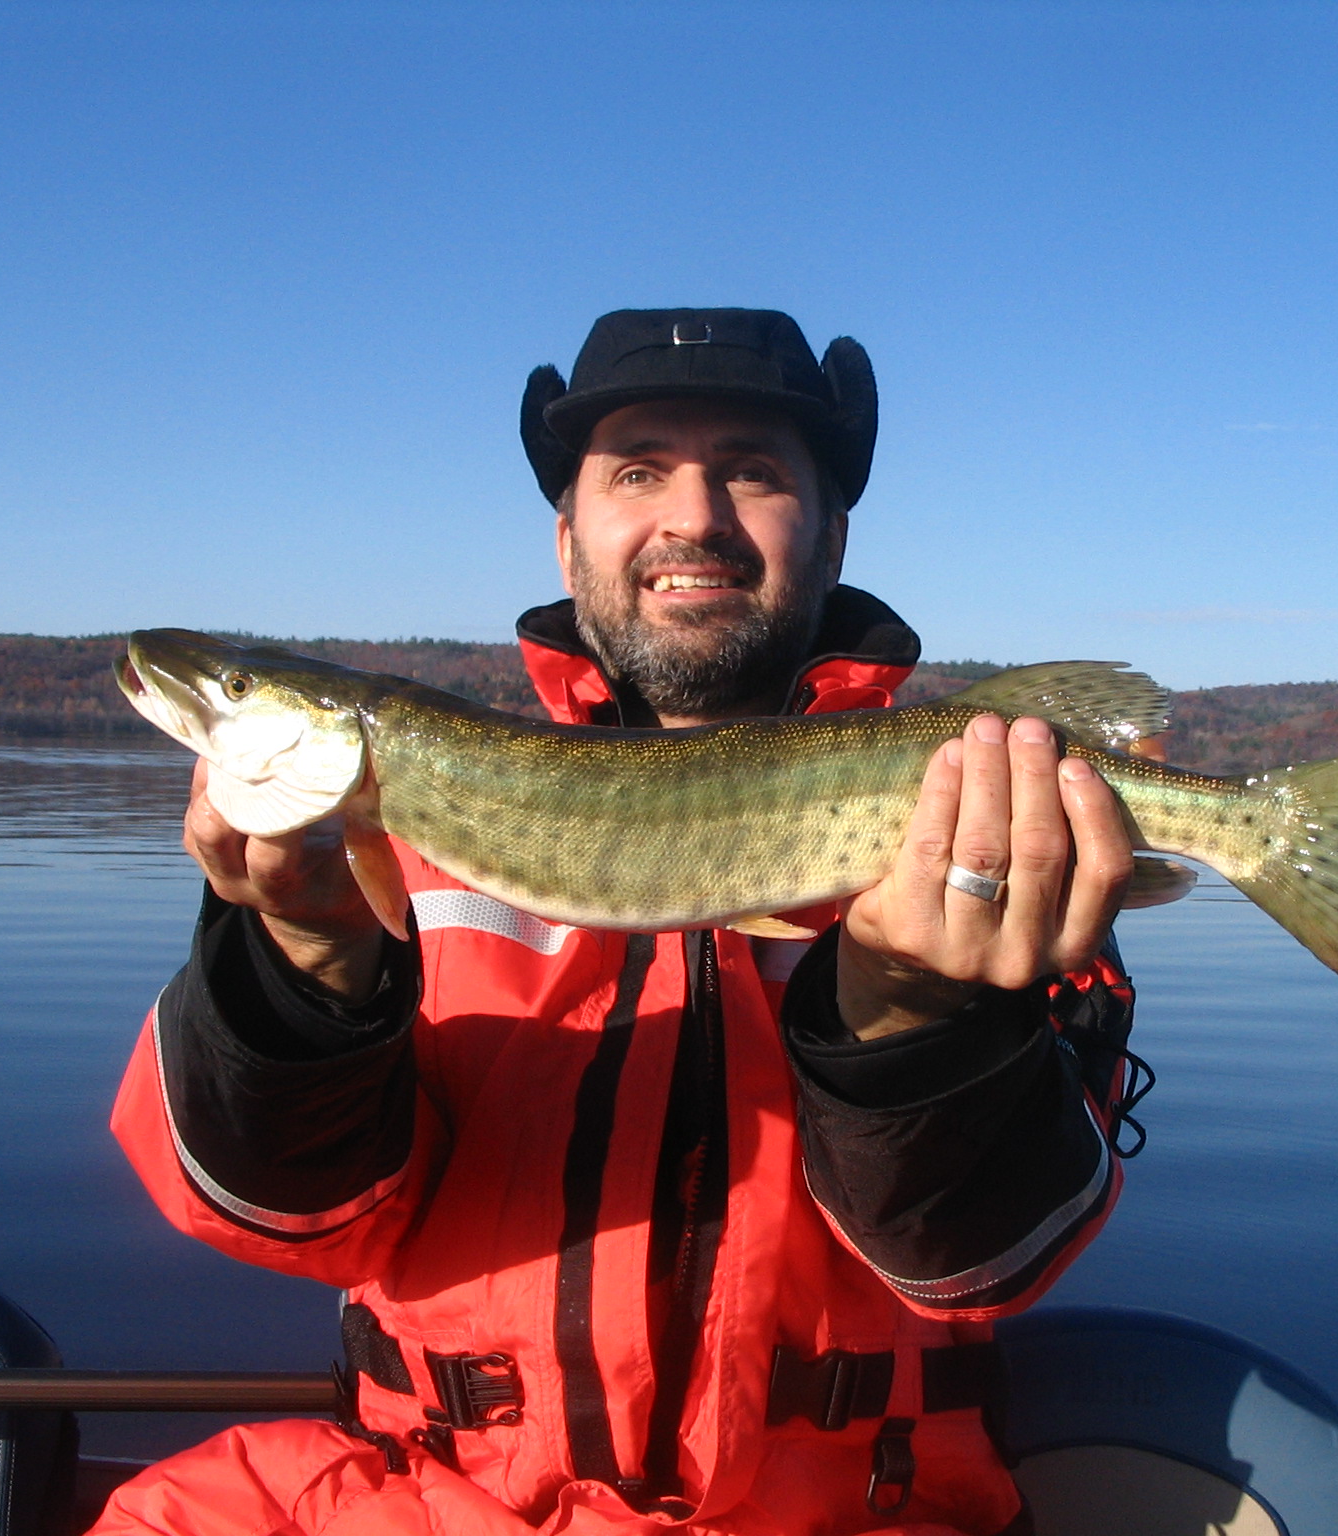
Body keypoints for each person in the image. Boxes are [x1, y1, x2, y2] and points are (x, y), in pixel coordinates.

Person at [97, 309, 1144, 1536]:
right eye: (636, 469)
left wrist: (913, 1020)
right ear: (566, 536)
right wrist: (304, 968)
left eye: (749, 470)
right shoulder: (370, 852)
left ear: (832, 526)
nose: (691, 517)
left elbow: (988, 1265)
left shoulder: (987, 836)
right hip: (440, 1505)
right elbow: (272, 1211)